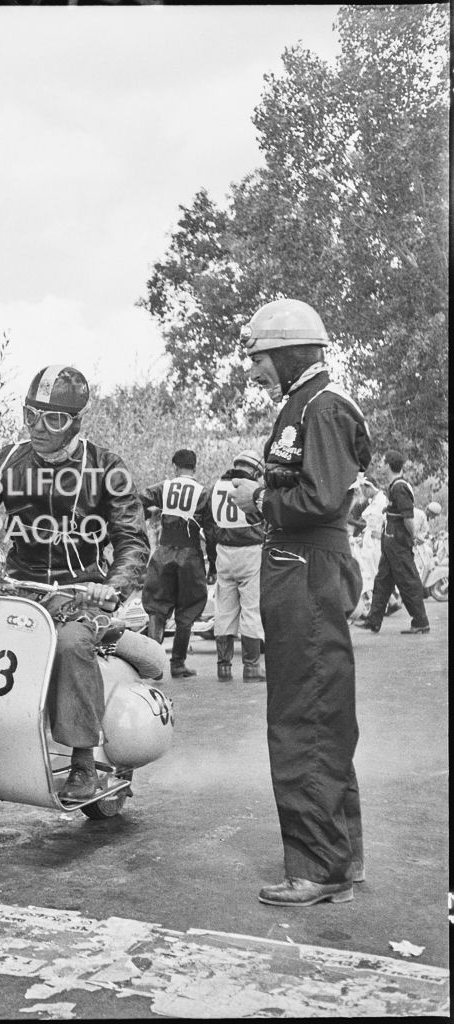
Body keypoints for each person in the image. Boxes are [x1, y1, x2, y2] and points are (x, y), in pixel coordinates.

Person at [0, 365, 150, 802]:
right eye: (31, 414)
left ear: (75, 422)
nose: (38, 427)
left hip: (79, 590)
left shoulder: (106, 467)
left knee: (71, 644)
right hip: (17, 586)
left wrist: (113, 585)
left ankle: (83, 759)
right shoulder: (9, 460)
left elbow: (132, 539)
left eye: (53, 419)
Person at [232, 298, 370, 908]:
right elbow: (308, 484)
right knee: (318, 714)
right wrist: (266, 485)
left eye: (259, 358)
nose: (254, 370)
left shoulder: (323, 406)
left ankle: (318, 869)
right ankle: (339, 859)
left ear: (288, 352)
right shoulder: (304, 404)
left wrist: (256, 499)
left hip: (308, 567)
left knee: (305, 717)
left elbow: (319, 499)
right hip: (299, 565)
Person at [139, 449, 217, 678]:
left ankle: (153, 666)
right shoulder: (203, 493)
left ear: (175, 466)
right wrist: (213, 564)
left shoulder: (164, 487)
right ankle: (178, 664)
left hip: (164, 552)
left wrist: (147, 516)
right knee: (187, 610)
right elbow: (211, 532)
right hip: (190, 555)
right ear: (195, 467)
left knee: (157, 607)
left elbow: (137, 499)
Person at [356, 450, 430, 636]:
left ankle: (420, 621)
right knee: (382, 581)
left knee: (408, 580)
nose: (381, 465)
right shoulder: (395, 486)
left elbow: (408, 517)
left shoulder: (399, 487)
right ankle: (374, 621)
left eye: (383, 462)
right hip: (391, 542)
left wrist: (414, 535)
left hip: (398, 541)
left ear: (388, 465)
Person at [209, 450, 266, 681]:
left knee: (224, 610)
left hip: (223, 553)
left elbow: (209, 525)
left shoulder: (216, 487)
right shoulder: (251, 489)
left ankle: (223, 667)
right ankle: (251, 667)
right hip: (250, 553)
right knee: (251, 609)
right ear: (253, 470)